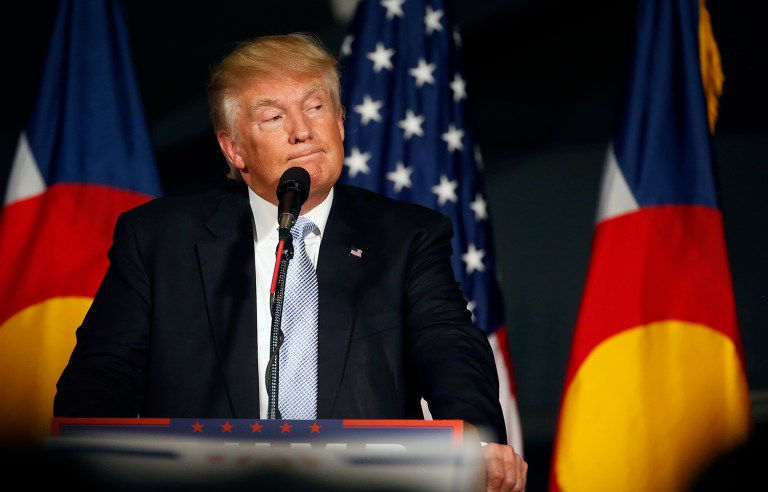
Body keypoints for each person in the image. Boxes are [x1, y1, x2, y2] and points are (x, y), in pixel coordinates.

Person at [54, 32, 527, 491]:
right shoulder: (159, 238)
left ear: (340, 124)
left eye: (316, 107)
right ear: (234, 148)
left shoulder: (405, 236)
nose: (303, 131)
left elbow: (450, 349)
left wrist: (479, 442)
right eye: (273, 117)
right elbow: (103, 375)